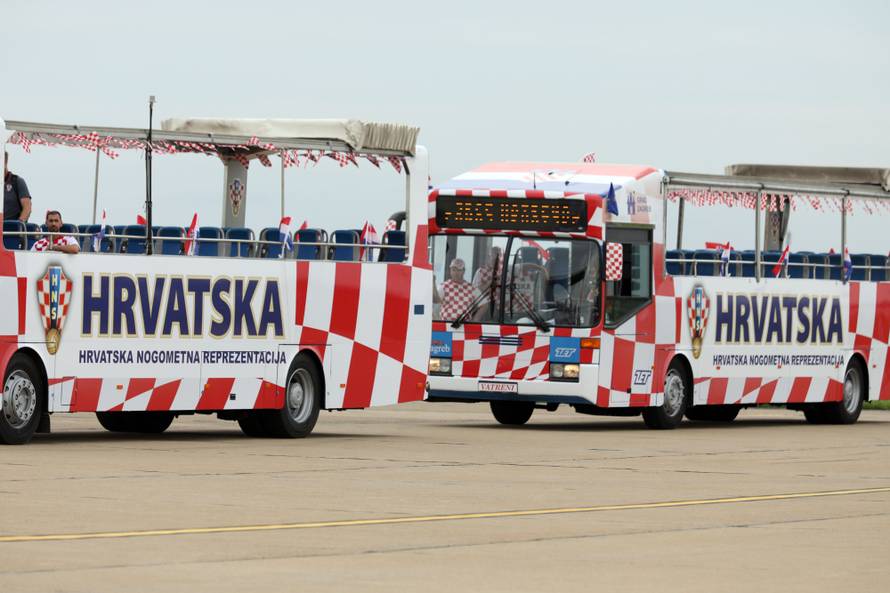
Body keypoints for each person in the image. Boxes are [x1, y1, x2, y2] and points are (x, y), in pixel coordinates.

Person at [4, 151, 32, 222]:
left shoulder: (17, 181)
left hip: (11, 229)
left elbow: (27, 207)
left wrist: (19, 223)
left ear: (5, 162)